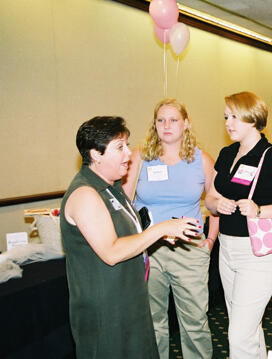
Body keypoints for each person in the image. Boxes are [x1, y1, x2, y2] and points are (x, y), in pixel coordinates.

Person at [60, 116, 199, 358]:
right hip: (106, 309)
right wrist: (161, 229)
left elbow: (128, 234)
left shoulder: (112, 186)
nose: (128, 154)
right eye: (119, 147)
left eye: (127, 145)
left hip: (128, 298)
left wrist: (155, 236)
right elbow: (111, 252)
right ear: (96, 154)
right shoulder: (85, 194)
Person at [205, 91, 272, 359]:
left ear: (253, 118)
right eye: (226, 117)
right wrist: (218, 205)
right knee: (246, 327)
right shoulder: (227, 153)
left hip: (259, 253)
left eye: (234, 117)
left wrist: (260, 210)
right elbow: (210, 198)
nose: (228, 123)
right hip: (226, 249)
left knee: (239, 333)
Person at [123, 99, 219, 359]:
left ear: (186, 123)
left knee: (195, 322)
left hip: (189, 249)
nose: (166, 125)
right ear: (154, 124)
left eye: (173, 119)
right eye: (160, 120)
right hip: (149, 250)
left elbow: (215, 202)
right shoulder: (139, 157)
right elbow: (124, 203)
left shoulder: (202, 159)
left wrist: (209, 240)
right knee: (153, 322)